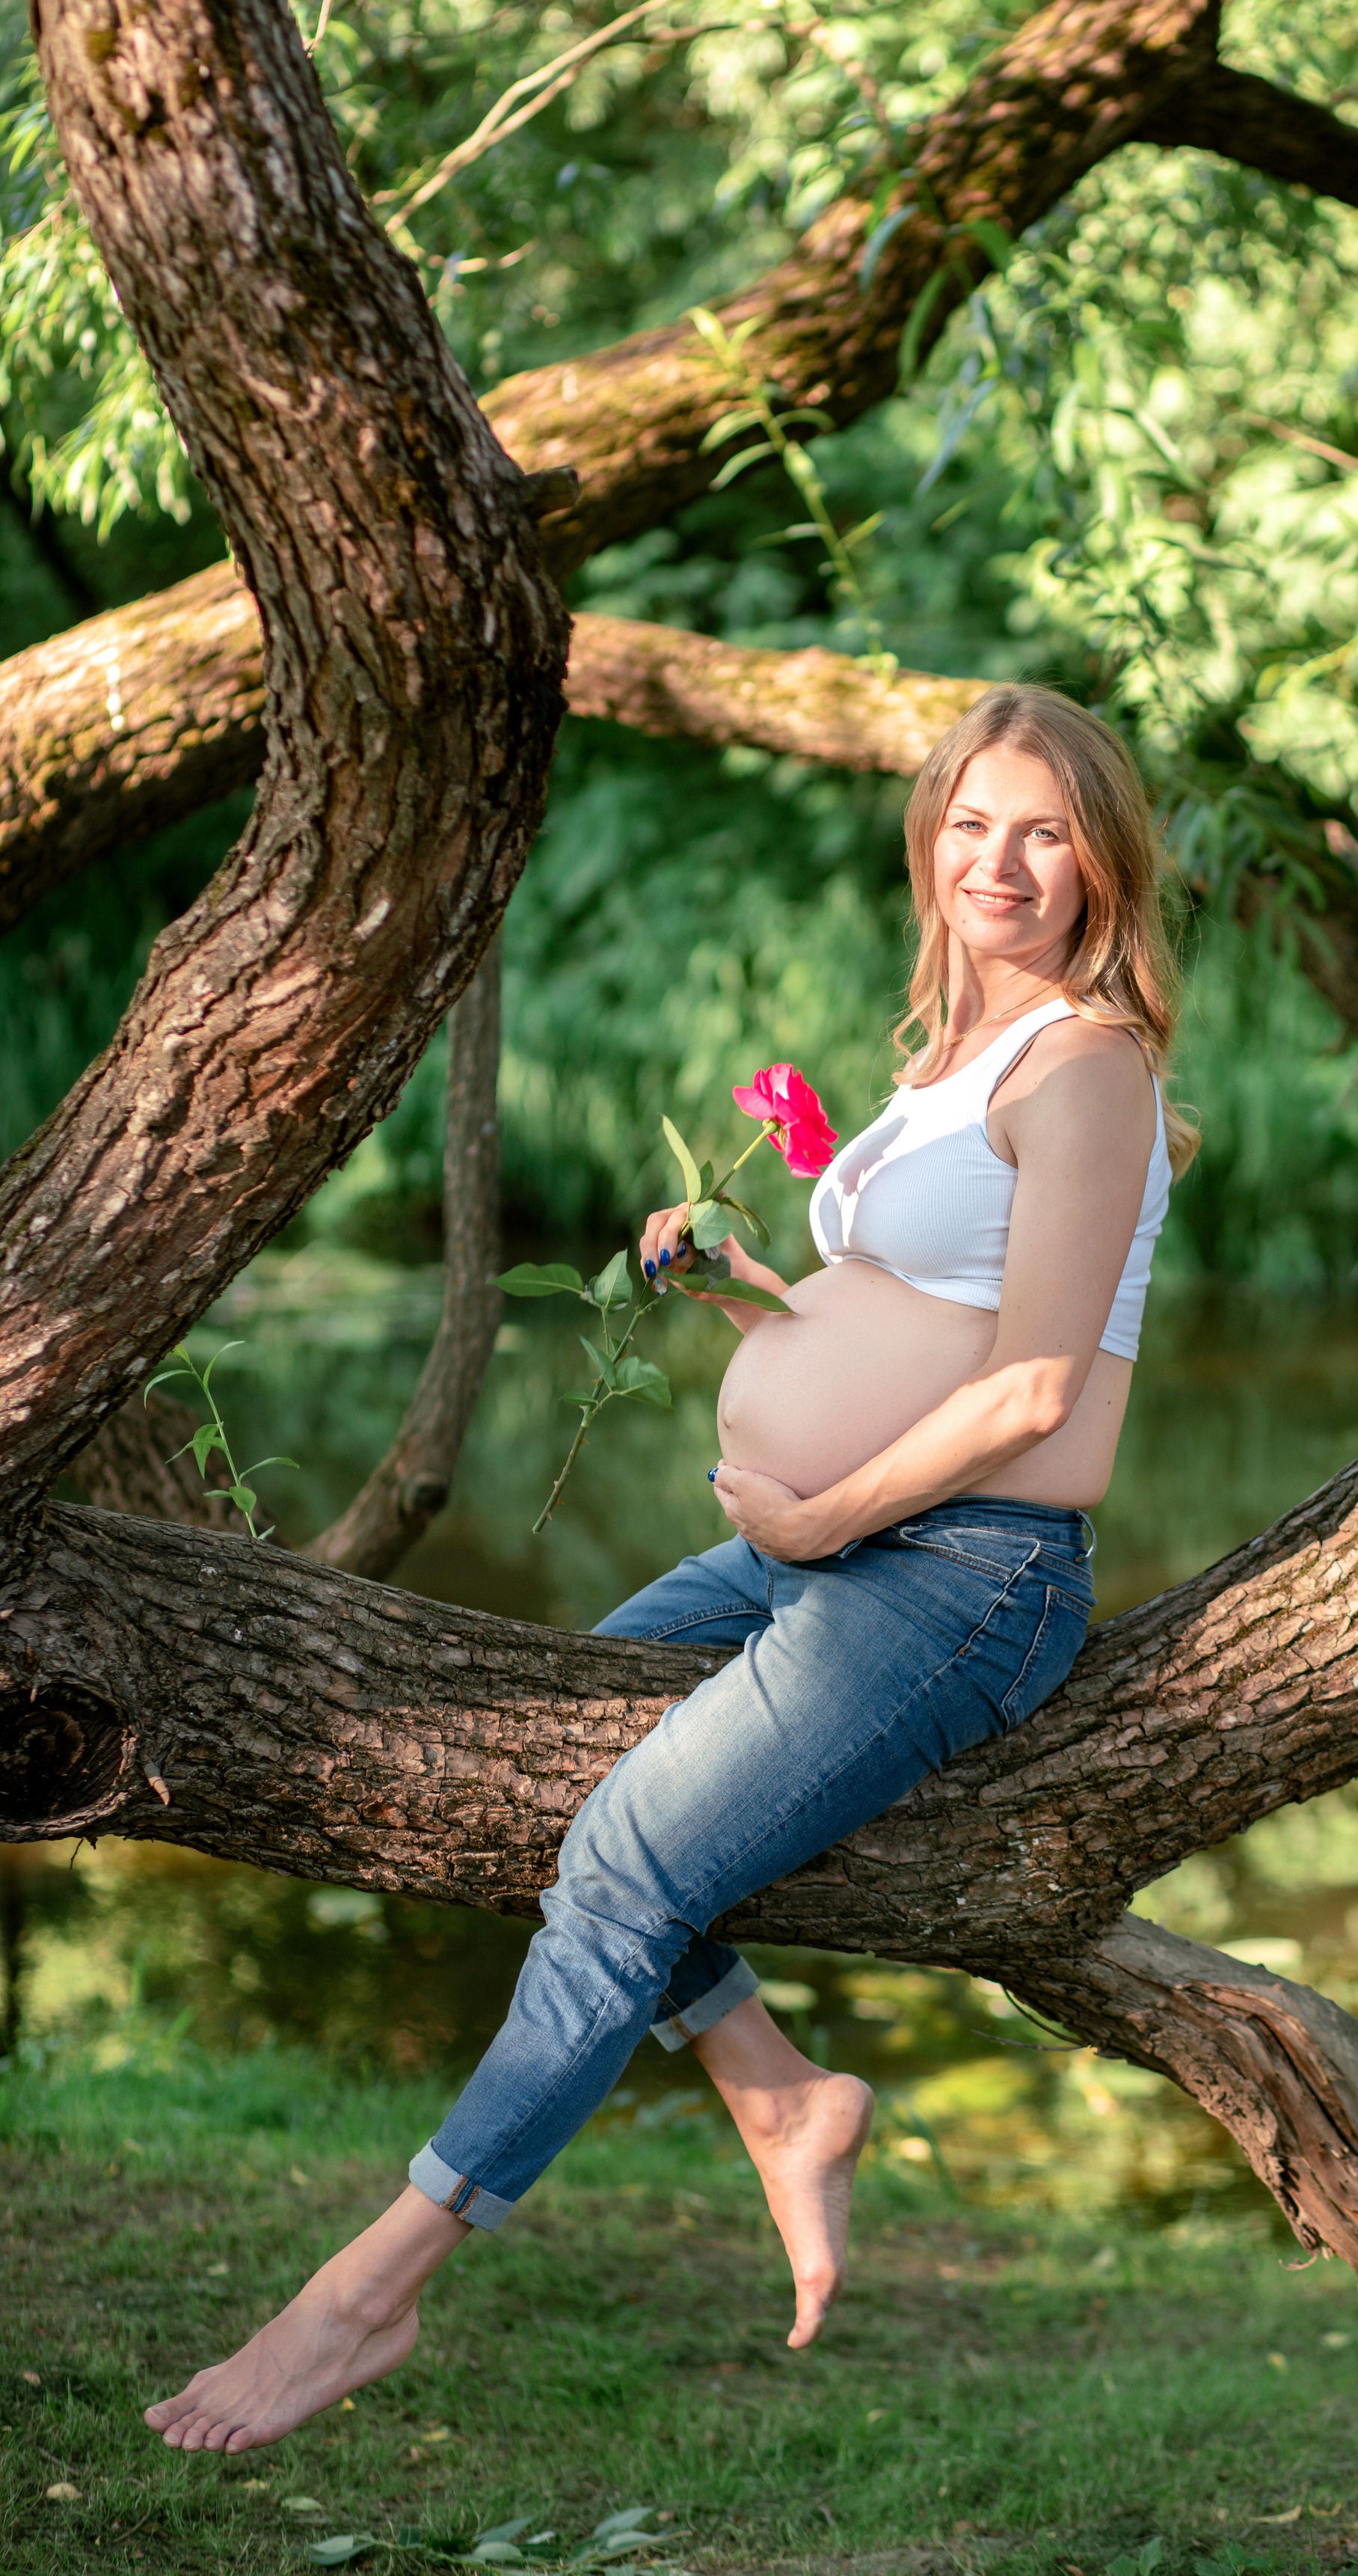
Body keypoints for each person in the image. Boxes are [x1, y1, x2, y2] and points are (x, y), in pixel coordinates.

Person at [144, 682, 1196, 2454]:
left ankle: (366, 2295)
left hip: (960, 1578)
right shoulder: (949, 1056)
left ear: (1100, 862)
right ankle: (778, 2096)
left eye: (1042, 833)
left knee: (624, 1856)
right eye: (968, 824)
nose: (999, 863)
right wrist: (736, 1296)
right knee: (557, 1762)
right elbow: (910, 1322)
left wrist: (821, 1517)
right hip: (839, 1543)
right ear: (928, 841)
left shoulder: (1087, 1070)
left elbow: (1033, 1395)